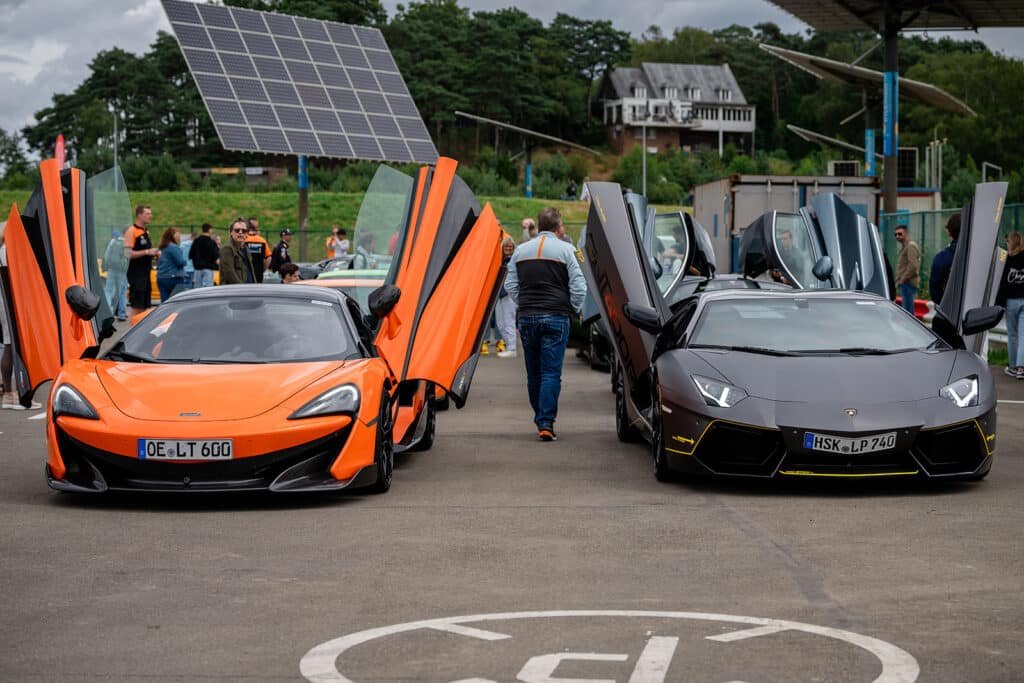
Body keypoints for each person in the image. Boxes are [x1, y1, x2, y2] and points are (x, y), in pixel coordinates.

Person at [504, 207, 587, 441]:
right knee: (551, 373)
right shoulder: (567, 250)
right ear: (558, 227)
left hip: (528, 317)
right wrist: (572, 308)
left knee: (534, 373)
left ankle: (541, 417)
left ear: (538, 226)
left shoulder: (521, 251)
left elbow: (510, 284)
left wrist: (525, 303)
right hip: (556, 316)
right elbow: (580, 286)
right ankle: (546, 421)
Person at [996, 232, 1024, 378]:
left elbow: (1002, 284)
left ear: (1011, 242)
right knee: (1023, 334)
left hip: (1011, 301)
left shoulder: (1006, 260)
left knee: (1012, 335)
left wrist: (999, 303)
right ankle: (1022, 368)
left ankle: (1014, 366)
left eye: (1007, 241)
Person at [124, 205, 158, 318]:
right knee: (136, 306)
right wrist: (147, 252)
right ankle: (132, 332)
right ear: (139, 215)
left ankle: (141, 333)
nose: (150, 216)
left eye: (150, 213)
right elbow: (127, 253)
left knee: (144, 306)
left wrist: (154, 254)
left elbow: (145, 252)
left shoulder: (145, 232)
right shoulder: (131, 231)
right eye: (147, 214)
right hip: (136, 275)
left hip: (145, 273)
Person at [930, 213, 961, 304]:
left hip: (949, 309)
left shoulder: (942, 258)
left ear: (948, 231)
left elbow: (935, 291)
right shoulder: (979, 255)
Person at [495, 236, 518, 358]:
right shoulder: (500, 261)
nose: (508, 249)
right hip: (499, 295)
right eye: (506, 247)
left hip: (509, 295)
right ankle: (510, 346)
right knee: (500, 323)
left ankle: (512, 348)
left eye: (510, 247)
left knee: (509, 321)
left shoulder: (513, 261)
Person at [219, 218, 257, 285]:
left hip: (249, 290)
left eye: (244, 231)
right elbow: (229, 274)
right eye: (237, 230)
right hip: (233, 292)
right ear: (231, 233)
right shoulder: (227, 249)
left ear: (246, 234)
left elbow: (251, 272)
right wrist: (241, 288)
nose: (240, 232)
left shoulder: (246, 250)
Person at [894, 225, 921, 315]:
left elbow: (913, 266)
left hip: (908, 283)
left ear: (906, 233)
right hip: (905, 283)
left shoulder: (910, 246)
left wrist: (903, 279)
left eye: (900, 234)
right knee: (907, 311)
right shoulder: (905, 246)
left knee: (908, 313)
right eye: (896, 234)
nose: (897, 236)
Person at [101, 229, 128, 320]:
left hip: (112, 269)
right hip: (122, 270)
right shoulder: (127, 243)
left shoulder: (113, 241)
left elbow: (106, 255)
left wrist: (107, 265)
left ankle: (107, 312)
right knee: (121, 292)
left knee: (108, 290)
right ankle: (122, 314)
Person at [155, 228, 188, 302]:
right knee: (177, 302)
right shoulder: (173, 247)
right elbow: (180, 262)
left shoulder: (162, 247)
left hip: (161, 277)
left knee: (165, 302)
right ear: (173, 236)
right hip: (174, 277)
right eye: (178, 234)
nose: (179, 237)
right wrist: (185, 262)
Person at [189, 223, 219, 288]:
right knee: (208, 290)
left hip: (197, 269)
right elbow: (216, 257)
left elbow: (190, 255)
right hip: (209, 269)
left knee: (196, 290)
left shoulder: (196, 241)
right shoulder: (211, 242)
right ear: (209, 230)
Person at [245, 217, 271, 283]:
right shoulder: (262, 240)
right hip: (258, 273)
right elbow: (269, 258)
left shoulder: (243, 240)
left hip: (245, 273)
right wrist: (262, 269)